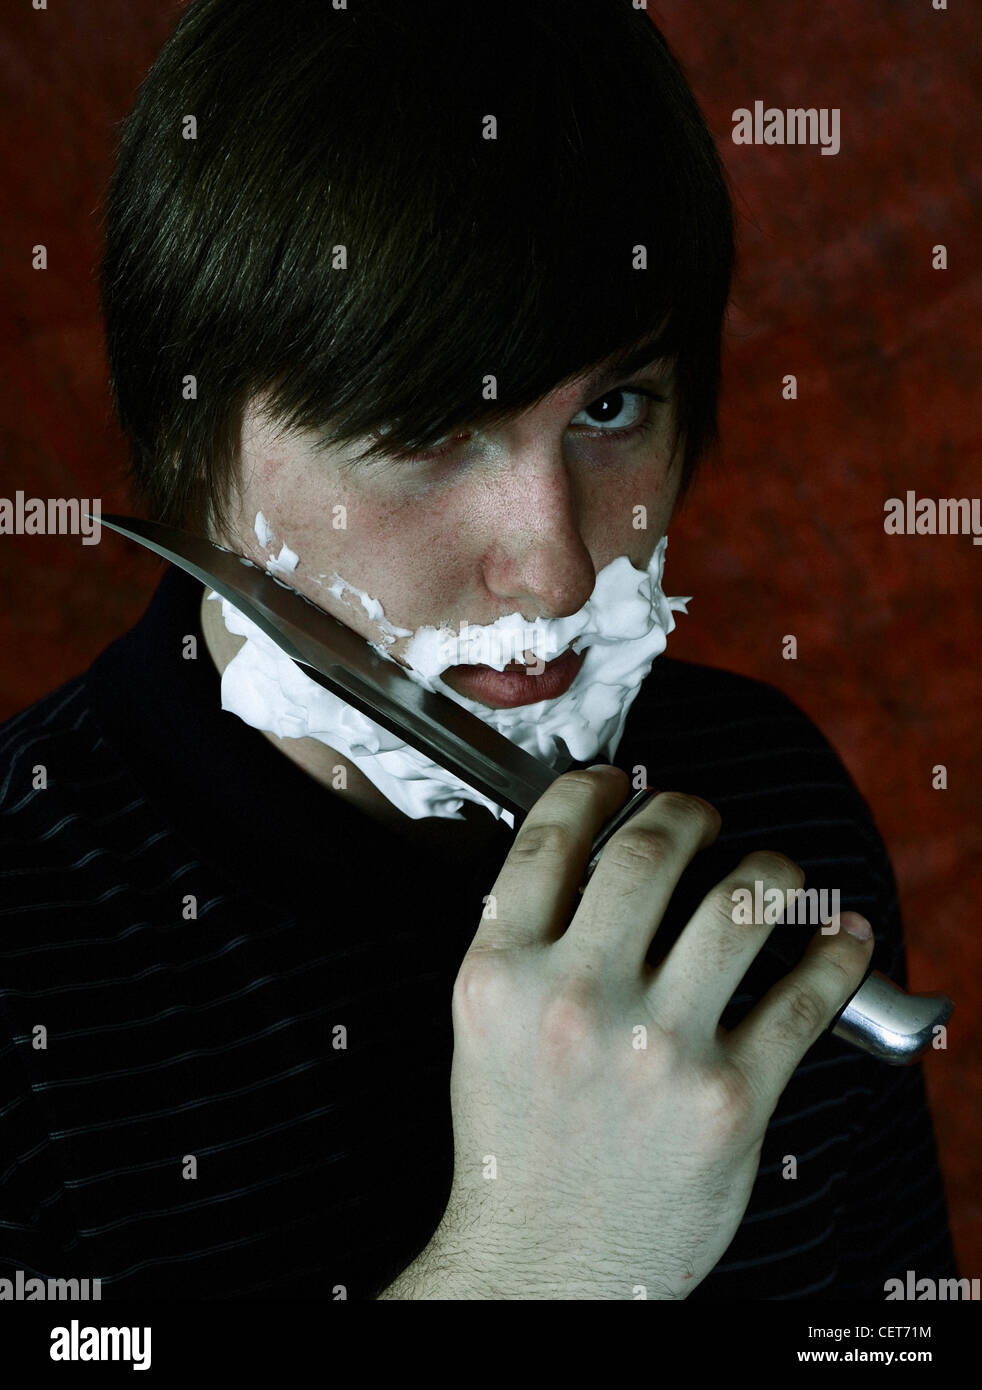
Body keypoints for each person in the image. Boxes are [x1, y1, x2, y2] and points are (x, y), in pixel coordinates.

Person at [0, 0, 957, 1300]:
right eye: (424, 429)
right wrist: (541, 1266)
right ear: (189, 443)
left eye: (610, 408)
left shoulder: (769, 814)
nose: (555, 566)